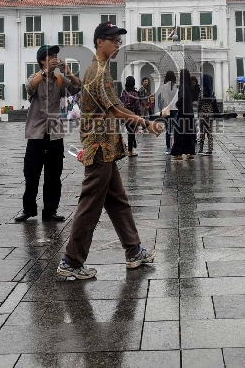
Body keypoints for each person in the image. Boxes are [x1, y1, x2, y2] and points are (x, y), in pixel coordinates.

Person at [57, 22, 163, 279]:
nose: (117, 45)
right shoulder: (98, 72)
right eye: (113, 40)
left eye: (118, 41)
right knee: (90, 205)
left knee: (118, 202)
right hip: (99, 147)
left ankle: (134, 250)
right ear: (99, 42)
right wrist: (146, 123)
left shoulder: (100, 69)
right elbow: (115, 110)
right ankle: (71, 261)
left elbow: (113, 108)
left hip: (106, 145)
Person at [16, 45, 81, 223]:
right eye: (50, 56)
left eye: (55, 56)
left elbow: (77, 87)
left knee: (54, 175)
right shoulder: (35, 77)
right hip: (36, 134)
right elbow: (29, 87)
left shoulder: (60, 80)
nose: (54, 59)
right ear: (42, 61)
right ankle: (28, 210)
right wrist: (45, 73)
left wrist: (68, 71)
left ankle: (50, 211)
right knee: (31, 174)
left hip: (55, 133)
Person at [171, 68, 198, 160]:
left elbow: (182, 98)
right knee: (189, 133)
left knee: (180, 133)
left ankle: (179, 154)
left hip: (183, 113)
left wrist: (177, 104)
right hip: (190, 113)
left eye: (180, 74)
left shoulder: (182, 86)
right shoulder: (190, 86)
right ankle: (190, 153)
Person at [158, 71, 178, 154]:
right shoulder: (177, 86)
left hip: (167, 110)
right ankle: (176, 147)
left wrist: (161, 109)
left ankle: (168, 148)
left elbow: (162, 100)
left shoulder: (164, 87)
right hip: (176, 109)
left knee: (168, 130)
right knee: (176, 129)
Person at [120, 76, 141, 157]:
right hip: (132, 114)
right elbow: (137, 106)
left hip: (125, 114)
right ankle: (130, 150)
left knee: (130, 132)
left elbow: (121, 103)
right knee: (131, 132)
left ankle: (131, 148)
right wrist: (139, 116)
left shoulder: (123, 92)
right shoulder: (135, 93)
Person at [198, 73, 216, 154]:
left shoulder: (202, 92)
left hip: (203, 114)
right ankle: (210, 149)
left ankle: (201, 149)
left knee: (202, 132)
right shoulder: (211, 92)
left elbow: (199, 103)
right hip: (210, 114)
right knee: (209, 132)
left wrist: (198, 112)